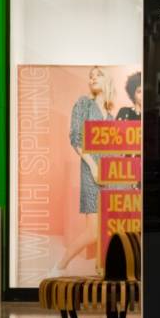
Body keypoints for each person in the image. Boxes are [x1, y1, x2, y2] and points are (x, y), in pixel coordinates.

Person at [51, 66, 117, 276]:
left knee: (107, 228)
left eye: (97, 75)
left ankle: (102, 269)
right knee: (93, 230)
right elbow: (75, 138)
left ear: (106, 80)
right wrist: (93, 165)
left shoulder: (110, 114)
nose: (92, 79)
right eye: (90, 76)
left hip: (110, 174)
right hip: (91, 170)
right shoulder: (83, 104)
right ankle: (60, 265)